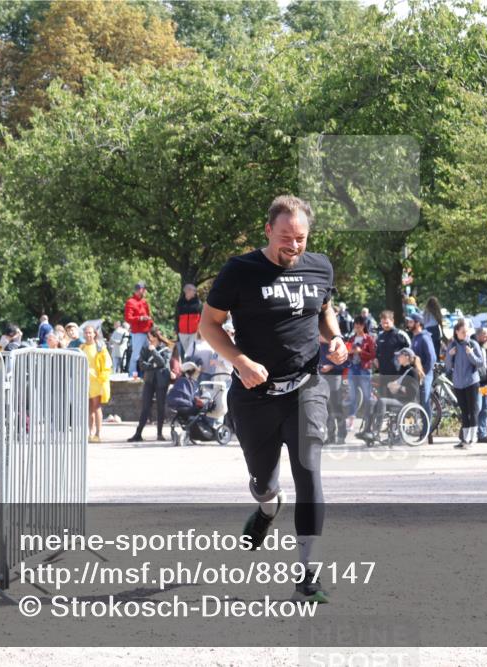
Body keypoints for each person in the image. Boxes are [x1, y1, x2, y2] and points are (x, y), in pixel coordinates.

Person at [198, 194, 346, 604]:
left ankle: (308, 572)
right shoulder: (240, 271)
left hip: (306, 387)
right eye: (285, 237)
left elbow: (323, 309)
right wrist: (240, 360)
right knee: (264, 482)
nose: (293, 246)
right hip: (254, 395)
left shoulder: (320, 266)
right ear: (268, 230)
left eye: (300, 238)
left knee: (309, 472)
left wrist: (334, 338)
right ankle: (266, 509)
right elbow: (208, 326)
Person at [359, 348, 422, 445]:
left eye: (400, 355)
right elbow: (394, 389)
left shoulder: (412, 372)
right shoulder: (401, 370)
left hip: (407, 402)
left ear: (406, 357)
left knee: (382, 401)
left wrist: (399, 387)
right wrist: (392, 386)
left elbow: (412, 393)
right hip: (397, 399)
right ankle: (367, 430)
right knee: (371, 401)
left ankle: (376, 432)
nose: (398, 358)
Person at [127, 327, 173, 442]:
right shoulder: (145, 348)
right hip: (149, 380)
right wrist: (153, 366)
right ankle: (138, 433)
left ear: (155, 337)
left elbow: (162, 363)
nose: (148, 339)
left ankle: (160, 433)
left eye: (150, 336)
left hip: (161, 380)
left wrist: (153, 351)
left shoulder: (165, 349)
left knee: (161, 407)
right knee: (145, 407)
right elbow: (142, 365)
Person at [446, 318, 484, 449]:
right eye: (463, 332)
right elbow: (447, 366)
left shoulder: (473, 343)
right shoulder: (452, 345)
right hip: (458, 383)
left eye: (467, 331)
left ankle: (473, 438)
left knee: (473, 410)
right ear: (456, 332)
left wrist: (471, 354)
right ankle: (465, 439)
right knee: (464, 411)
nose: (465, 334)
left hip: (472, 382)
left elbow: (480, 362)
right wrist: (450, 355)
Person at [407, 312, 436, 442]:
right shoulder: (415, 337)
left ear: (418, 323)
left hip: (425, 374)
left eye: (411, 322)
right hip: (416, 374)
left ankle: (426, 432)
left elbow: (432, 358)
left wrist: (423, 373)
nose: (408, 324)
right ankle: (426, 433)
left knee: (425, 403)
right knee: (420, 403)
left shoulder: (424, 338)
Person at [80, 324, 112, 443]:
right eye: (86, 333)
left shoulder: (100, 347)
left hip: (97, 380)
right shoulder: (82, 347)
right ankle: (90, 432)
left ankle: (98, 433)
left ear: (94, 334)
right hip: (85, 380)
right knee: (89, 408)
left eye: (90, 332)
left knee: (96, 406)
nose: (88, 335)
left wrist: (102, 377)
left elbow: (107, 363)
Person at [346, 315, 376, 436]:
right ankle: (351, 421)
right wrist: (350, 352)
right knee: (352, 396)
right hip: (353, 368)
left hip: (364, 369)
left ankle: (370, 421)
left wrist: (360, 352)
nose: (356, 328)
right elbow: (347, 352)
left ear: (363, 326)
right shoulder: (352, 338)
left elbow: (372, 355)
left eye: (359, 326)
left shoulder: (369, 339)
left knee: (368, 396)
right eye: (355, 326)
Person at [319, 337, 349, 444]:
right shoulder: (318, 345)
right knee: (327, 408)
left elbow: (345, 363)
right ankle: (331, 436)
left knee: (336, 406)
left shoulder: (336, 343)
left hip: (335, 377)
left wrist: (332, 366)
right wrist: (320, 367)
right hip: (322, 378)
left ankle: (342, 434)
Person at [125, 282, 153, 380]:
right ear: (139, 290)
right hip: (137, 332)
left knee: (147, 354)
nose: (145, 291)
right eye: (143, 289)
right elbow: (128, 318)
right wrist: (140, 318)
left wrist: (151, 326)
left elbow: (149, 316)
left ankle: (144, 375)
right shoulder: (131, 302)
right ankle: (132, 375)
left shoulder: (144, 302)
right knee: (136, 355)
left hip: (146, 331)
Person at [473, 327, 487, 444]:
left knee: (485, 408)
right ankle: (471, 432)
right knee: (477, 407)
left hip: (485, 383)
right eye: (484, 335)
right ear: (478, 336)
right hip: (476, 382)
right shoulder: (473, 346)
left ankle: (482, 434)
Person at [373, 310, 410, 380]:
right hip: (383, 374)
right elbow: (377, 351)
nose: (384, 325)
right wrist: (376, 359)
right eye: (382, 323)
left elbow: (411, 353)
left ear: (392, 321)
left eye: (387, 323)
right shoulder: (380, 336)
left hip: (398, 375)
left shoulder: (401, 335)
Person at [175, 283, 202, 360]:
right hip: (182, 332)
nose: (195, 292)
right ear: (187, 291)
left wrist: (199, 331)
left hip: (194, 332)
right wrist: (177, 330)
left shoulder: (198, 303)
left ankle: (191, 367)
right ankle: (185, 367)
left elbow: (201, 318)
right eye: (193, 290)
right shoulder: (180, 303)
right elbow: (177, 317)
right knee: (185, 352)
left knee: (192, 350)